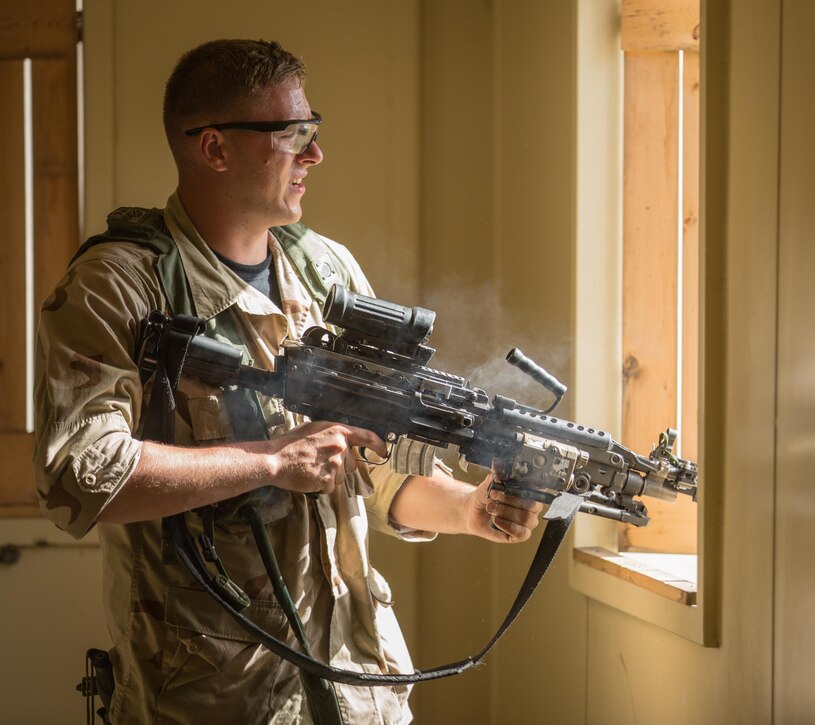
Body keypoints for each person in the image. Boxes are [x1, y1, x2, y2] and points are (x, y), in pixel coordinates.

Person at [34, 38, 542, 723]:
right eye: (293, 134)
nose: (314, 155)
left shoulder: (328, 272)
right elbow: (79, 475)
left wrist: (469, 509)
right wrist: (270, 460)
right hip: (210, 700)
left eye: (314, 131)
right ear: (215, 148)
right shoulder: (118, 287)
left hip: (356, 691)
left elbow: (373, 468)